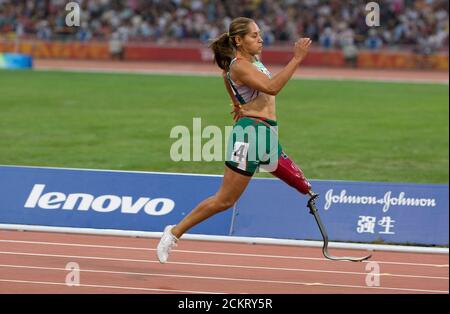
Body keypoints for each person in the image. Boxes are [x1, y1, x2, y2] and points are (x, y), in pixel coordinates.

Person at [157, 17, 314, 263]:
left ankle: (174, 232)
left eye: (259, 34)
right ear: (239, 41)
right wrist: (297, 58)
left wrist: (237, 103)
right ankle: (173, 233)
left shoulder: (253, 61)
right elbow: (272, 87)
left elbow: (230, 80)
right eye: (254, 35)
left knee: (232, 197)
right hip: (251, 134)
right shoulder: (239, 65)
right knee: (225, 199)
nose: (260, 39)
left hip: (261, 132)